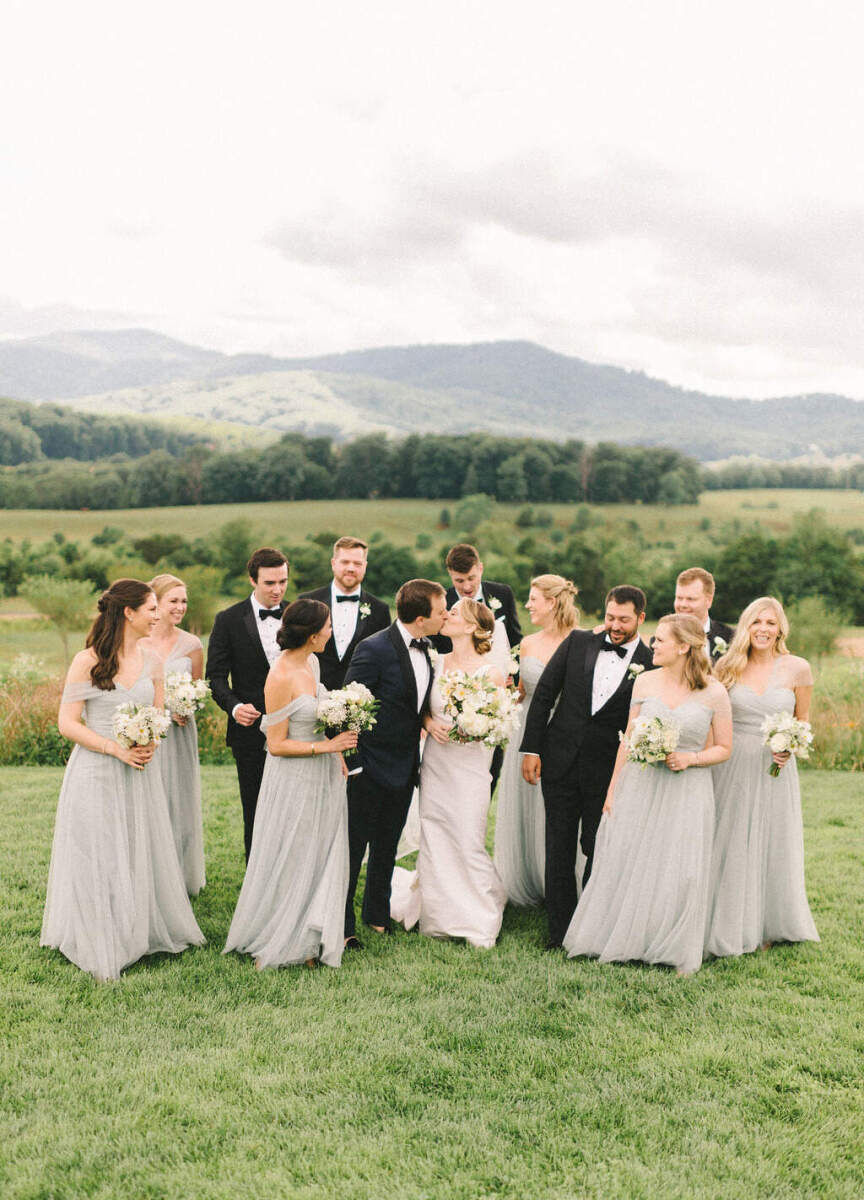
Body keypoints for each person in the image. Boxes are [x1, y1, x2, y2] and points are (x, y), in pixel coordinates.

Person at [41, 579, 205, 981]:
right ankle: (100, 933)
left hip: (141, 772)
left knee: (137, 845)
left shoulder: (153, 660)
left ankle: (137, 929)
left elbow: (159, 713)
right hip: (97, 770)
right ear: (128, 613)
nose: (157, 615)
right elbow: (67, 722)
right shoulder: (88, 660)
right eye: (151, 608)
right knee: (101, 848)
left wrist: (152, 739)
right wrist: (115, 748)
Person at [563, 614, 732, 976]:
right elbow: (627, 740)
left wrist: (691, 758)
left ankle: (670, 943)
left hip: (688, 789)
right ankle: (627, 939)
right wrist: (612, 791)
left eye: (660, 640)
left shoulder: (714, 691)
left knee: (681, 868)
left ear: (684, 646)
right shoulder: (645, 683)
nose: (653, 645)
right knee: (633, 859)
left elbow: (724, 748)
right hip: (640, 784)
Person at [224, 600, 357, 969]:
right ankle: (285, 939)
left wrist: (337, 752)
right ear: (313, 635)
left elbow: (317, 715)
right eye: (327, 627)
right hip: (294, 779)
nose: (331, 632)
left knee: (320, 851)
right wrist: (327, 746)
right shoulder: (279, 676)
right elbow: (277, 744)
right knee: (295, 853)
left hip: (323, 773)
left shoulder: (312, 663)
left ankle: (312, 934)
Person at [520, 585, 655, 948]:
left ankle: (592, 924)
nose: (615, 625)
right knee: (558, 845)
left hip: (609, 770)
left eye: (624, 620)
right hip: (560, 758)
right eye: (610, 616)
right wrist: (531, 749)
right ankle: (559, 931)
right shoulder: (580, 641)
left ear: (640, 618)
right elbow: (545, 693)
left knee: (598, 844)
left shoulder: (652, 659)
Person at [706, 597, 819, 957]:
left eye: (770, 623)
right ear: (746, 627)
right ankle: (726, 918)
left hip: (775, 769)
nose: (763, 629)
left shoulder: (798, 669)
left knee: (772, 840)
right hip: (732, 763)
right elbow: (711, 715)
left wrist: (791, 745)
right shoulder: (726, 666)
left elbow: (803, 722)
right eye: (756, 622)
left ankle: (768, 921)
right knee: (731, 836)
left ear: (780, 628)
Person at [391, 598, 507, 948]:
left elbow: (499, 725)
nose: (447, 615)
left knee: (467, 836)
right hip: (437, 761)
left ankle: (476, 915)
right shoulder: (435, 662)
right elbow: (422, 709)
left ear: (473, 626)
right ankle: (439, 915)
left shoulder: (492, 672)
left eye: (454, 613)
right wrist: (428, 723)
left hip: (470, 765)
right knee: (436, 832)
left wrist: (476, 728)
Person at [342, 579, 448, 946]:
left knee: (387, 845)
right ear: (421, 617)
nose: (447, 614)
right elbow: (350, 708)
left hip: (404, 766)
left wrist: (426, 721)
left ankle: (376, 914)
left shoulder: (430, 647)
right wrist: (354, 765)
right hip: (368, 767)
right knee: (353, 849)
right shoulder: (373, 649)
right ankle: (343, 925)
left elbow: (410, 704)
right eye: (442, 609)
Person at [493, 575, 580, 907]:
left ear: (552, 602)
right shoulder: (527, 643)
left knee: (557, 808)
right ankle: (526, 877)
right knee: (526, 804)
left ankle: (560, 881)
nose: (527, 605)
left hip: (564, 733)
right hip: (525, 732)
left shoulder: (580, 641)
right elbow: (520, 693)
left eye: (533, 599)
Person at [206, 547, 289, 861]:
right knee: (254, 806)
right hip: (249, 732)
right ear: (252, 580)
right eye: (269, 583)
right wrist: (235, 707)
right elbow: (214, 677)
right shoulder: (228, 620)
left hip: (295, 728)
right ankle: (258, 876)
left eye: (282, 581)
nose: (277, 589)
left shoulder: (298, 614)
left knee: (292, 807)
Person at [433, 542, 522, 791]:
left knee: (489, 759)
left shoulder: (502, 594)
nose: (467, 587)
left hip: (494, 687)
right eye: (459, 581)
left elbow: (516, 640)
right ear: (450, 576)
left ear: (480, 568)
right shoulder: (444, 603)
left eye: (472, 578)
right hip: (452, 686)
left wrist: (513, 680)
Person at [143, 573, 205, 896]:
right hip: (145, 731)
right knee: (148, 798)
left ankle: (178, 876)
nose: (180, 607)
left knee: (178, 800)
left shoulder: (192, 645)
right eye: (173, 601)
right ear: (155, 602)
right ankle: (148, 872)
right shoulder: (138, 640)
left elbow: (198, 689)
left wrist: (188, 706)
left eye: (184, 601)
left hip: (179, 734)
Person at [298, 536, 390, 690]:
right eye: (345, 562)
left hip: (361, 704)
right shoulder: (306, 601)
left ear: (365, 566)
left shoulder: (380, 610)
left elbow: (384, 661)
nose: (351, 568)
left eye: (357, 563)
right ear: (333, 563)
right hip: (311, 695)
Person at [673, 567, 734, 661]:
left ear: (709, 601)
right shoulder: (661, 640)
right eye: (679, 598)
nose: (683, 605)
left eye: (690, 599)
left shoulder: (731, 638)